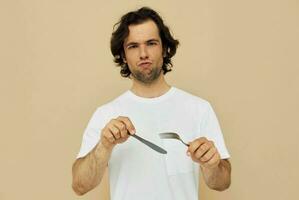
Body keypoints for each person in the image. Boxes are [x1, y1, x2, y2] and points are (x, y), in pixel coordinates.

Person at [72, 7, 231, 200]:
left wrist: (211, 164)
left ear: (164, 48)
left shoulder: (199, 109)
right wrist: (104, 146)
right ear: (123, 55)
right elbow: (80, 185)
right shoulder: (106, 114)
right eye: (133, 46)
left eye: (151, 43)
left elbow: (222, 182)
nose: (143, 53)